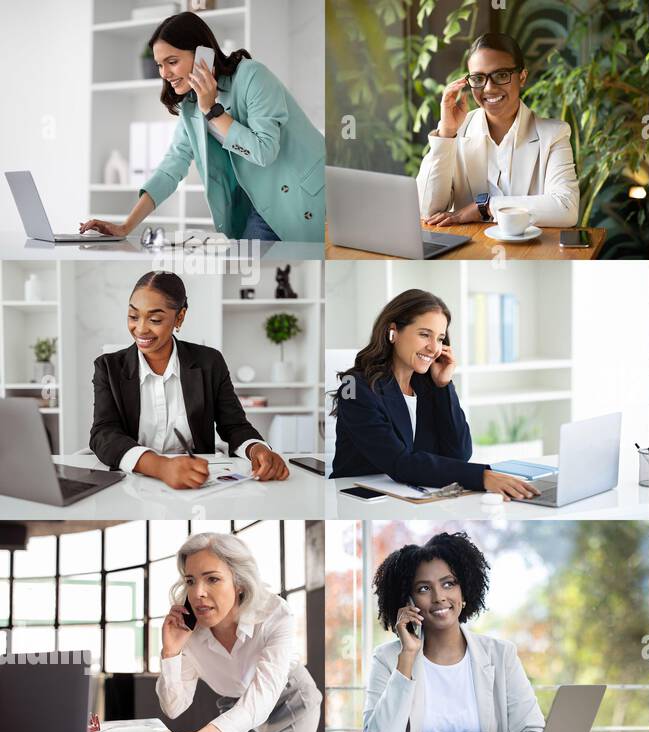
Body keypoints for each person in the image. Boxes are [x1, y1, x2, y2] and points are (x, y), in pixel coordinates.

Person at [80, 11, 325, 242]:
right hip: (262, 206)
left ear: (202, 55)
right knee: (245, 268)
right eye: (159, 65)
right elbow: (171, 168)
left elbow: (264, 150)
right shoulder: (191, 105)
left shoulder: (252, 77)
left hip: (307, 196)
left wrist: (212, 110)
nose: (164, 73)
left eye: (172, 61)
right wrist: (125, 227)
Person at [329, 289, 538, 500]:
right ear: (393, 331)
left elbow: (459, 453)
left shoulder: (426, 384)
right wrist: (482, 477)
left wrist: (443, 386)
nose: (433, 348)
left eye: (440, 338)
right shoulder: (354, 387)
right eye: (424, 334)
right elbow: (400, 463)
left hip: (413, 496)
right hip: (362, 499)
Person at [90, 270, 290, 489]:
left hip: (197, 481)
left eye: (155, 319)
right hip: (131, 484)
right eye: (133, 316)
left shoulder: (209, 362)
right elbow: (104, 434)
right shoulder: (108, 367)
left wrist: (258, 450)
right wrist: (161, 466)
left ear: (180, 317)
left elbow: (234, 426)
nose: (140, 328)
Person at [362, 532, 545, 732]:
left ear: (464, 590)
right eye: (423, 589)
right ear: (407, 601)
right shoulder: (387, 658)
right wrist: (407, 655)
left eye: (448, 584)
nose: (439, 597)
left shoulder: (501, 655)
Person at [155, 532, 322, 732]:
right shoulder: (188, 632)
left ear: (239, 582)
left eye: (212, 579)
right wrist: (171, 652)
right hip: (236, 708)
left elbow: (263, 696)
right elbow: (174, 708)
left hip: (291, 703)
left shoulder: (275, 614)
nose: (198, 592)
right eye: (190, 581)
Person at [417, 32, 579, 228]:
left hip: (530, 253)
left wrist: (485, 207)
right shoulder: (455, 131)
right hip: (472, 253)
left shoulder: (553, 135)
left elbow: (566, 209)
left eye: (501, 75)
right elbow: (426, 211)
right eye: (478, 78)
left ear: (522, 77)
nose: (489, 88)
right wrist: (446, 133)